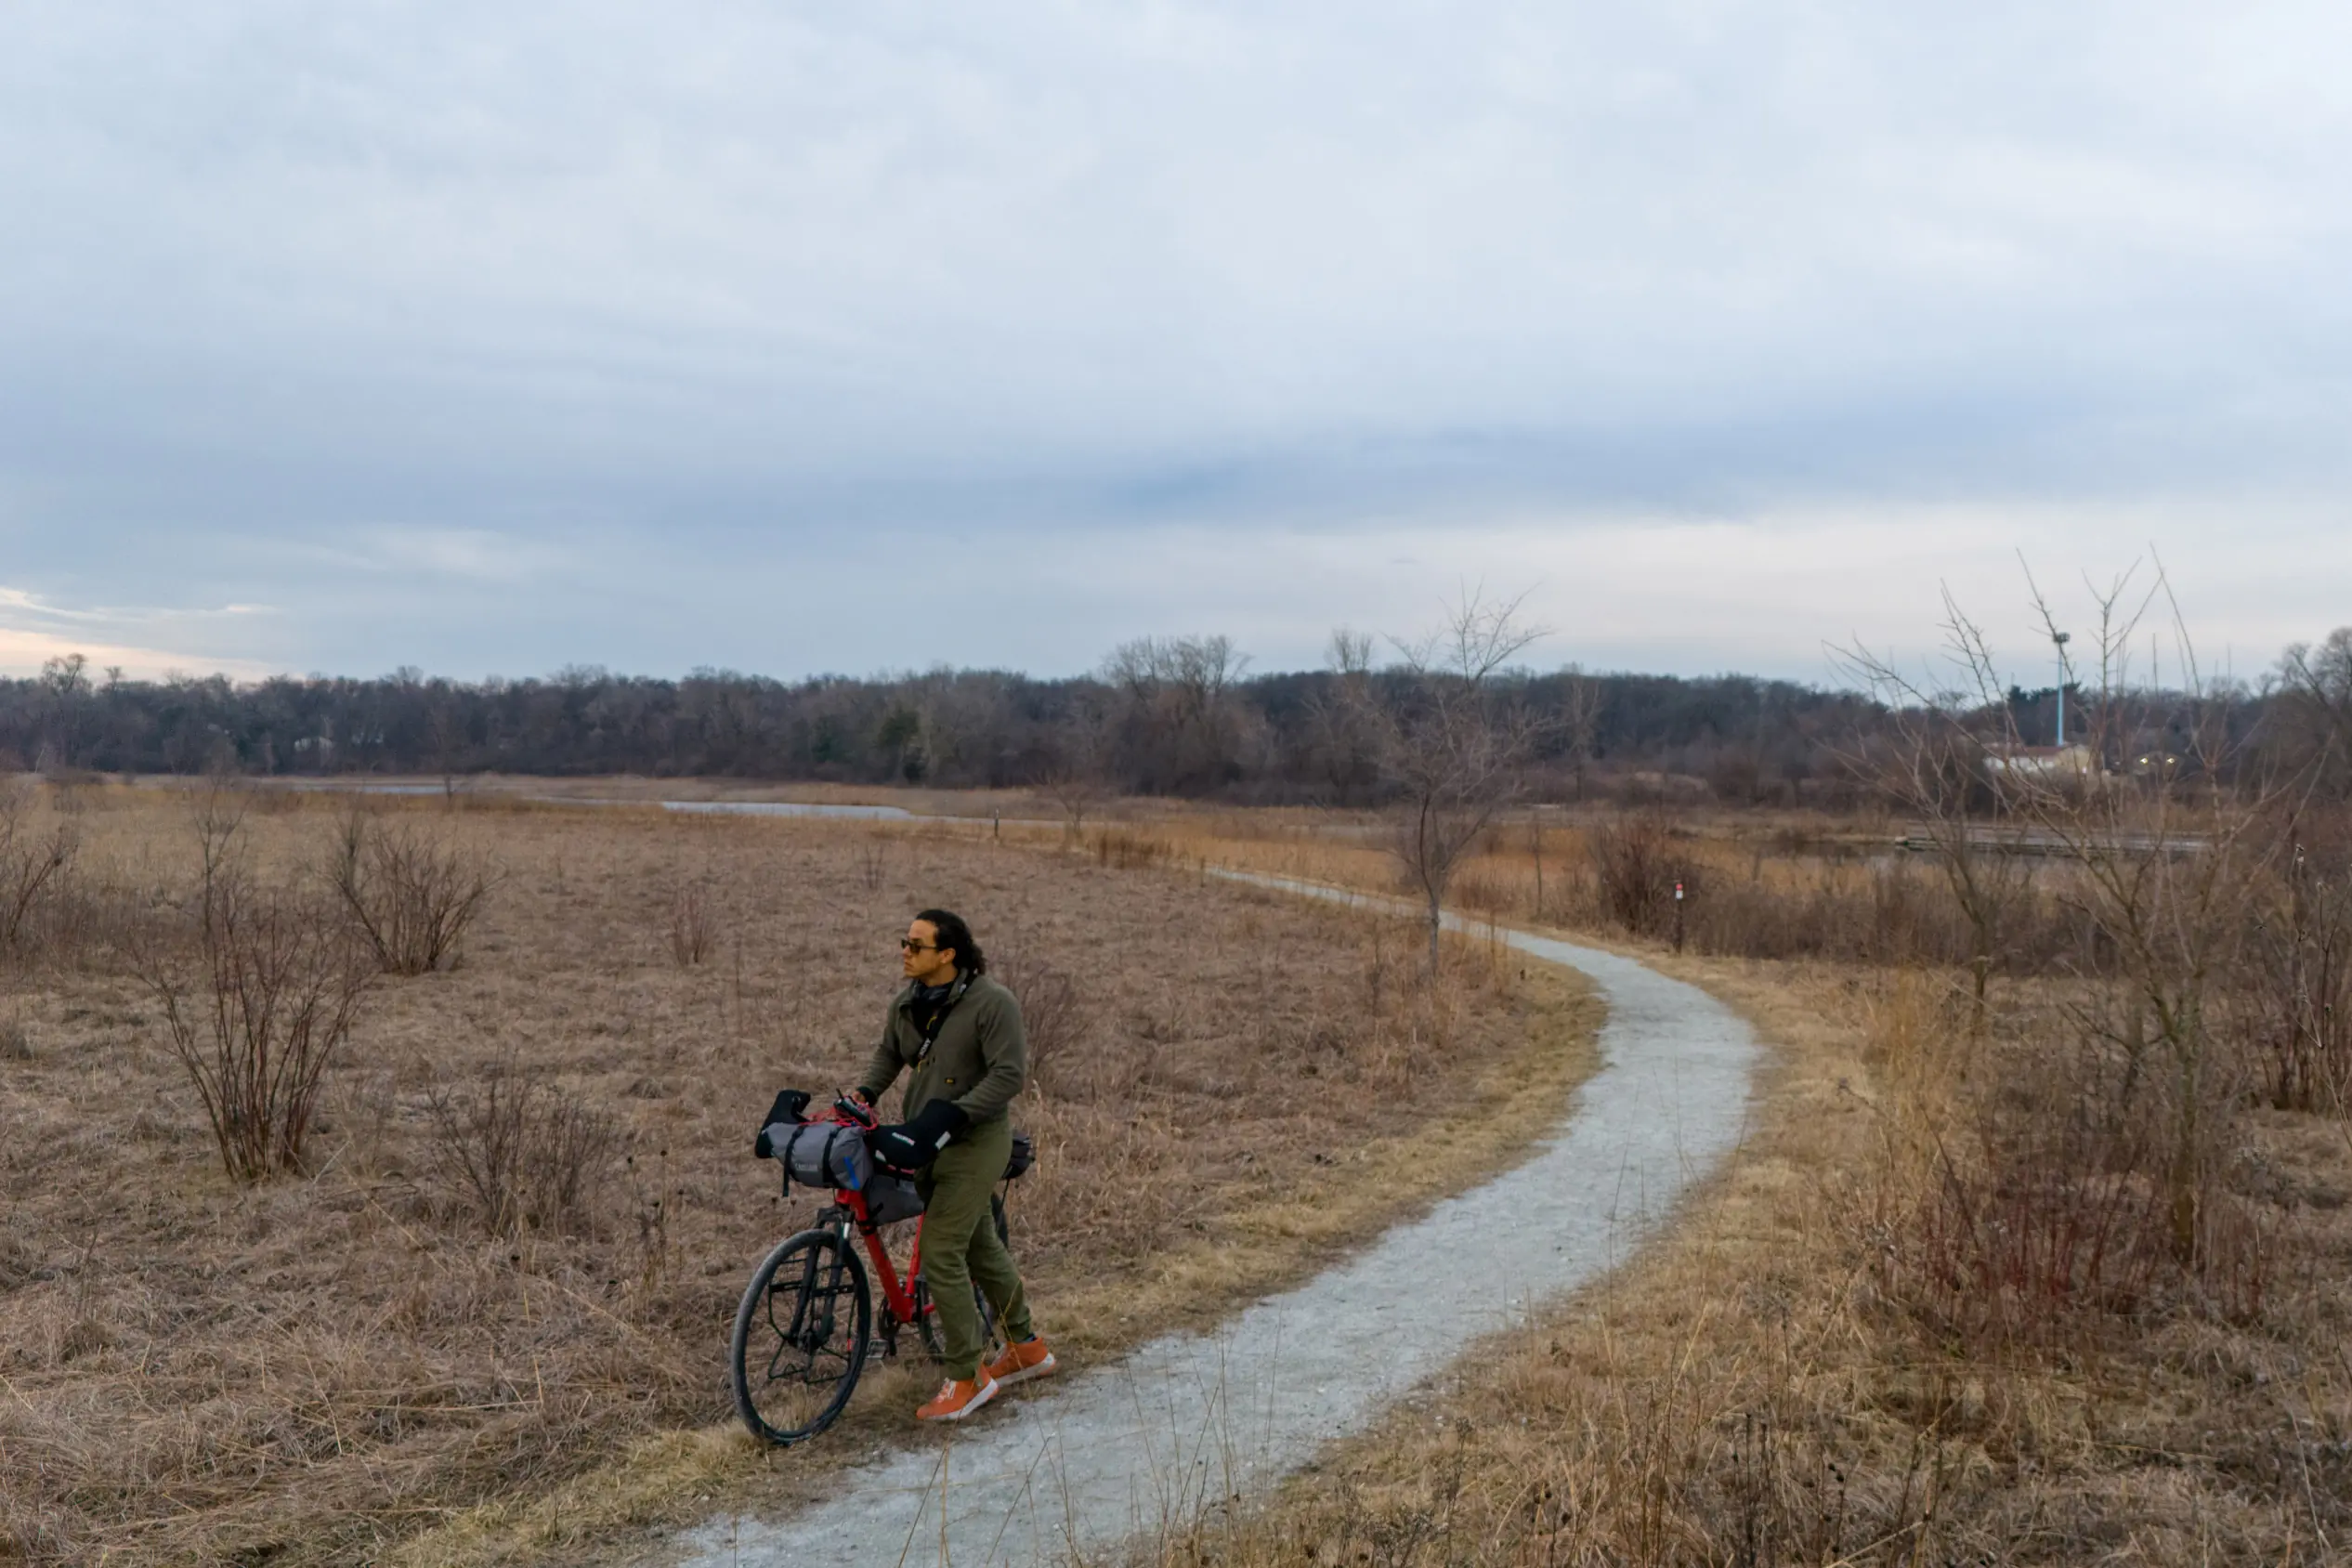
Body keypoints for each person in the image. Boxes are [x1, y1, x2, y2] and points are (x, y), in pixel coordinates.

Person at [855, 908, 1055, 1421]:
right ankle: (1027, 1348)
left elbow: (1008, 1075)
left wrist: (957, 1113)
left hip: (974, 1143)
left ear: (947, 954)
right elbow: (888, 1055)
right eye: (905, 941)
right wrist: (863, 1094)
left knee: (941, 1251)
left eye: (916, 945)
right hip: (926, 1140)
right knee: (982, 1247)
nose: (905, 950)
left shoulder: (993, 1003)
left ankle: (968, 1376)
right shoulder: (906, 1004)